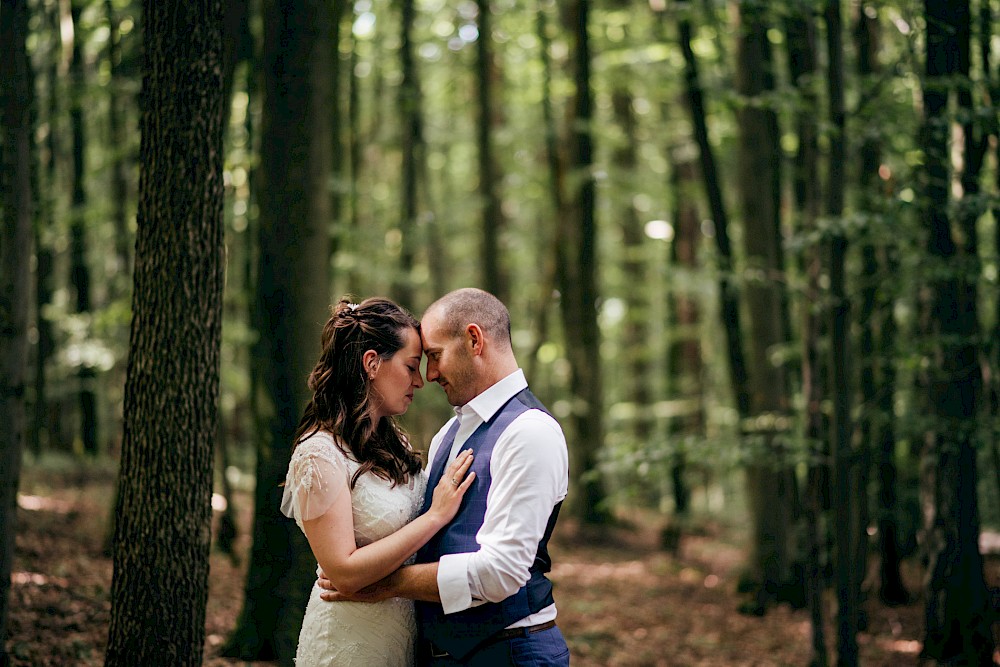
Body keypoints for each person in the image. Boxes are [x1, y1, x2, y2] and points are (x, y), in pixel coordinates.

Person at [319, 288, 571, 666]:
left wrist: (382, 585)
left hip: (511, 651)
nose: (430, 375)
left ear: (474, 339)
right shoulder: (447, 435)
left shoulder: (529, 432)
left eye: (435, 356)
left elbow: (500, 572)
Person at [281, 297, 477, 666]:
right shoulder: (319, 455)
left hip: (402, 635)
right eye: (411, 367)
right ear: (372, 363)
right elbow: (343, 573)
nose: (420, 381)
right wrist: (434, 517)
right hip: (348, 641)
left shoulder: (395, 443)